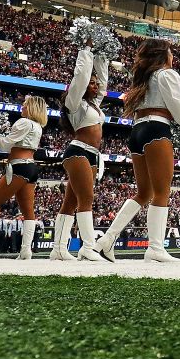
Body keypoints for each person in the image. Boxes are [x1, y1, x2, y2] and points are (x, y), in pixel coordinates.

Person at [95, 39, 180, 262]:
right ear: (163, 55)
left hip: (137, 131)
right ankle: (156, 248)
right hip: (156, 129)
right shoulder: (167, 74)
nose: (172, 56)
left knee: (144, 193)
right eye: (170, 52)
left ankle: (106, 241)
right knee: (162, 192)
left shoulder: (143, 79)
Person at [0, 96, 49, 261]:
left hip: (19, 167)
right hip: (31, 167)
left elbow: (5, 145)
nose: (22, 106)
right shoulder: (38, 126)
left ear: (32, 108)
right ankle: (26, 250)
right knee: (28, 211)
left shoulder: (24, 122)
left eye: (25, 104)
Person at [54, 41, 110, 262]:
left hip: (92, 154)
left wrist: (102, 57)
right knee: (87, 198)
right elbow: (79, 79)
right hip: (77, 151)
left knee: (71, 202)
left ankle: (58, 248)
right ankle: (88, 247)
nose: (95, 86)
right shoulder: (74, 103)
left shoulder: (95, 105)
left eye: (96, 83)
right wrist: (86, 52)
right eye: (92, 83)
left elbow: (103, 84)